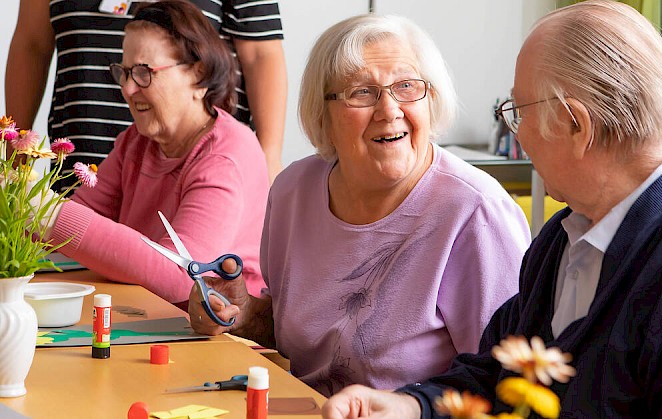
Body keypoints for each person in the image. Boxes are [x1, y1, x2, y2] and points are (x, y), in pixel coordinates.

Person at [321, 1, 662, 417]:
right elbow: (497, 375)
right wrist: (410, 406)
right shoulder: (568, 235)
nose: (519, 135)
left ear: (575, 124)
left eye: (518, 112)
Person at [188, 14, 532, 397]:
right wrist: (244, 314)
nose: (389, 110)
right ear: (323, 113)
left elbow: (505, 386)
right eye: (362, 92)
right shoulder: (293, 192)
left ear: (431, 99)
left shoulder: (476, 212)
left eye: (406, 86)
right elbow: (306, 339)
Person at [38, 1, 269, 306]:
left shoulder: (225, 155)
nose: (128, 89)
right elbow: (63, 237)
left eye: (143, 72)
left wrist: (47, 213)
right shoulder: (135, 142)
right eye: (125, 72)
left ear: (198, 75)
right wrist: (24, 209)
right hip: (149, 313)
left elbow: (183, 276)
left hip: (221, 329)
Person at [6, 0, 287, 186]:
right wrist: (14, 159)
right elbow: (31, 45)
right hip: (80, 165)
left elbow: (260, 55)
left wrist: (268, 159)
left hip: (196, 172)